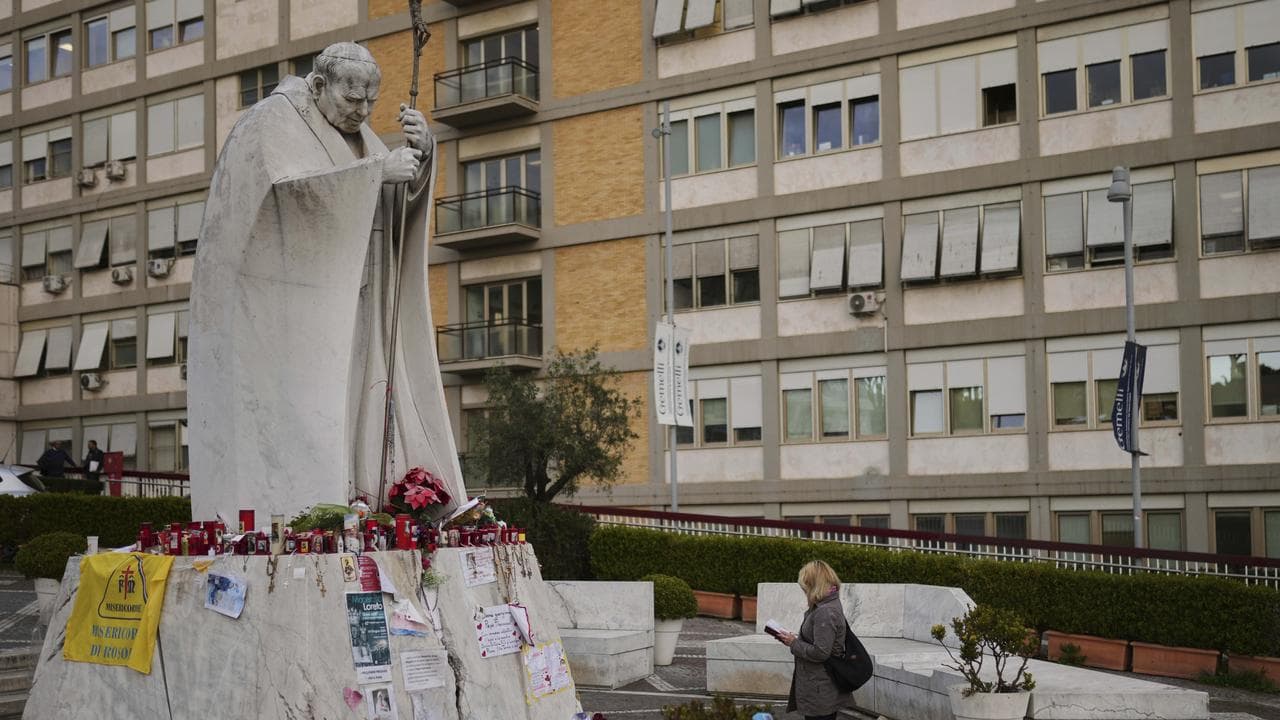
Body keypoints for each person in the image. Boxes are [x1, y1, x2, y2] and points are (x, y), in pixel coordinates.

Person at [189, 42, 466, 523]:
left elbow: (390, 218)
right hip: (299, 321)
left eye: (369, 102)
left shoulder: (361, 139)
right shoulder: (268, 123)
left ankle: (371, 502)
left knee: (368, 407)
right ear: (318, 86)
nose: (361, 111)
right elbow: (280, 200)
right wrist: (377, 173)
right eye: (351, 99)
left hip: (361, 308)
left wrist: (420, 162)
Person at [774, 559, 846, 720]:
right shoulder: (828, 604)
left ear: (813, 585)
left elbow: (821, 652)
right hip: (820, 685)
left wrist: (793, 642)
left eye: (805, 588)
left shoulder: (825, 612)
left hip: (819, 688)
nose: (804, 592)